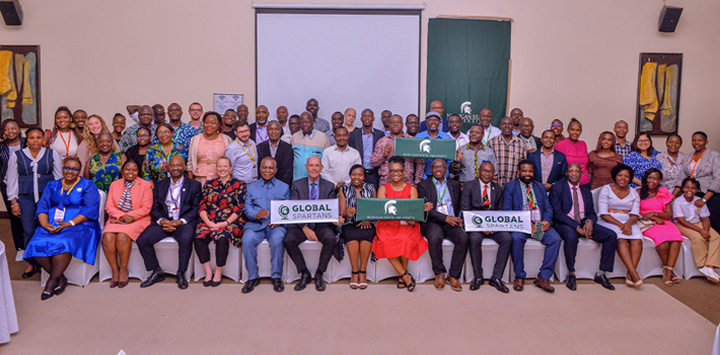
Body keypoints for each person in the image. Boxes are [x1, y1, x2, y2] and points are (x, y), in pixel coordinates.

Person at [24, 156, 101, 300]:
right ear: (62, 168)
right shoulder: (52, 185)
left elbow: (90, 210)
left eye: (74, 169)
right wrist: (45, 224)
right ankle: (60, 277)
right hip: (52, 224)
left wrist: (69, 223)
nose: (70, 171)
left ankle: (52, 280)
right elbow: (42, 207)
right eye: (67, 167)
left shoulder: (88, 185)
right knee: (35, 244)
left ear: (79, 171)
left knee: (64, 242)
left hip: (80, 225)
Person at [137, 155, 202, 290]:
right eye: (172, 165)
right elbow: (154, 208)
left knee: (186, 238)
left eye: (179, 165)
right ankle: (156, 271)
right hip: (164, 221)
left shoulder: (194, 185)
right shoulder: (160, 185)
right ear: (168, 168)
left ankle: (181, 272)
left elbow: (196, 208)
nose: (175, 168)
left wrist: (180, 221)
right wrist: (162, 221)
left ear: (184, 167)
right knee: (143, 239)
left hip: (183, 222)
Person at [549, 163, 617, 291]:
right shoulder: (557, 188)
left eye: (577, 171)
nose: (574, 174)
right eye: (571, 171)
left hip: (583, 222)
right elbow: (558, 214)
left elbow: (591, 212)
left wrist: (590, 221)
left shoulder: (586, 191)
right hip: (564, 223)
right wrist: (576, 226)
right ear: (566, 173)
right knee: (571, 236)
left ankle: (601, 273)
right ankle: (571, 273)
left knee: (611, 235)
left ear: (581, 174)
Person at [6, 127, 62, 278]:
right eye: (32, 138)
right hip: (26, 197)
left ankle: (47, 261)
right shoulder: (17, 156)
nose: (35, 141)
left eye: (39, 138)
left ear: (43, 139)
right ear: (27, 140)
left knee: (47, 228)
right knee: (29, 230)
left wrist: (59, 200)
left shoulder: (51, 154)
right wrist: (14, 202)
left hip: (47, 198)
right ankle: (31, 263)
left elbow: (58, 177)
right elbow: (11, 179)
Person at [372, 157, 431, 292]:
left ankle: (402, 276)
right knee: (385, 241)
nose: (396, 174)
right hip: (387, 224)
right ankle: (404, 275)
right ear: (389, 172)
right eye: (393, 171)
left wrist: (415, 212)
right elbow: (383, 214)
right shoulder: (383, 189)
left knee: (406, 239)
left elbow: (412, 217)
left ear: (404, 172)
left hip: (407, 223)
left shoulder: (412, 189)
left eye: (399, 171)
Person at [503, 160, 562, 293]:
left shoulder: (540, 187)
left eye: (530, 171)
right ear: (518, 172)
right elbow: (507, 210)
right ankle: (519, 276)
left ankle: (543, 276)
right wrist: (525, 222)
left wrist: (547, 221)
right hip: (521, 224)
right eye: (524, 171)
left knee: (555, 239)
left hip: (539, 223)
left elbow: (548, 207)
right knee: (516, 239)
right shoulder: (510, 186)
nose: (527, 174)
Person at [284, 156, 338, 292]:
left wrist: (334, 218)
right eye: (311, 165)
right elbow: (294, 209)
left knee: (331, 238)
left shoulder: (329, 186)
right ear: (306, 167)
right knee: (288, 240)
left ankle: (320, 273)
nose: (314, 168)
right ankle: (304, 273)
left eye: (317, 166)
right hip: (301, 224)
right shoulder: (297, 185)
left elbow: (330, 209)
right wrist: (304, 228)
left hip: (321, 224)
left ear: (321, 168)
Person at [417, 159, 469, 291]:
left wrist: (461, 218)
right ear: (431, 170)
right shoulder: (423, 185)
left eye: (441, 167)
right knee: (434, 238)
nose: (438, 170)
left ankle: (453, 275)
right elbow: (427, 210)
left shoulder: (454, 184)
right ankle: (439, 273)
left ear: (446, 170)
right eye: (435, 167)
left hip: (452, 220)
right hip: (433, 221)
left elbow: (459, 205)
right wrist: (445, 218)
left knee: (463, 238)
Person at [194, 157, 246, 287]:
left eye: (225, 166)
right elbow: (202, 206)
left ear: (230, 168)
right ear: (216, 168)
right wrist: (208, 222)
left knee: (222, 238)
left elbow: (238, 208)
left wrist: (224, 224)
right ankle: (208, 272)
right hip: (209, 220)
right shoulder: (209, 184)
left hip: (230, 222)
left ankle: (218, 271)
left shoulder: (239, 185)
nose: (222, 169)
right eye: (220, 166)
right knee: (198, 238)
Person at [461, 162, 511, 293]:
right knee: (474, 240)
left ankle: (496, 277)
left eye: (490, 172)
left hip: (493, 225)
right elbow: (465, 210)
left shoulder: (498, 189)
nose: (487, 174)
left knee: (507, 238)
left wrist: (494, 226)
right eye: (484, 171)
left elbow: (500, 211)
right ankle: (478, 277)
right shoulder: (469, 186)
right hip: (476, 225)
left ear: (493, 173)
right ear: (479, 171)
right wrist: (482, 227)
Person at [242, 157, 290, 293]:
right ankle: (252, 277)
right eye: (264, 168)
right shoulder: (251, 187)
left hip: (275, 226)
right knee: (247, 239)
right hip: (255, 224)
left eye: (270, 168)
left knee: (277, 240)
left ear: (275, 170)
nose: (267, 171)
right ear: (260, 169)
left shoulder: (284, 187)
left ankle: (276, 277)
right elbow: (247, 208)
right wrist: (256, 214)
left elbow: (288, 209)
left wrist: (280, 220)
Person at [102, 160, 153, 288]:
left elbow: (146, 208)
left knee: (122, 236)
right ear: (123, 171)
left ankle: (124, 269)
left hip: (137, 219)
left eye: (134, 170)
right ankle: (115, 270)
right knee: (108, 236)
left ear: (138, 172)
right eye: (128, 169)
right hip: (116, 218)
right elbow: (109, 206)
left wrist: (130, 216)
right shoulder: (115, 184)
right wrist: (121, 217)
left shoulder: (146, 185)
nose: (131, 172)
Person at [596, 164, 644, 287]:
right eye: (620, 175)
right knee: (621, 239)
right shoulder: (606, 189)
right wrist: (621, 226)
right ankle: (634, 273)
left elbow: (635, 213)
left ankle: (629, 274)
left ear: (630, 178)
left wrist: (627, 224)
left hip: (629, 221)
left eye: (627, 176)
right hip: (609, 221)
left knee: (637, 240)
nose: (623, 178)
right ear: (615, 176)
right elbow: (603, 214)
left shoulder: (634, 192)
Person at [638, 168, 684, 286]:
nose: (652, 181)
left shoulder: (663, 192)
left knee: (676, 239)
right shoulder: (638, 192)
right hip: (648, 224)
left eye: (655, 178)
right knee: (663, 242)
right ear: (645, 178)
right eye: (649, 177)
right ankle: (668, 270)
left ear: (659, 181)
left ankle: (668, 270)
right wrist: (653, 218)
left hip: (664, 222)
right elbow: (635, 213)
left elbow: (668, 215)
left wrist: (655, 214)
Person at [671, 132, 720, 236]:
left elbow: (718, 179)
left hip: (710, 194)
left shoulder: (714, 156)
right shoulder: (688, 157)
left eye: (700, 140)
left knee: (714, 223)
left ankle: (714, 247)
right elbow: (681, 178)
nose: (696, 143)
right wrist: (672, 196)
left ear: (706, 142)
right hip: (693, 193)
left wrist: (704, 199)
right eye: (694, 140)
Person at [673, 177, 720, 283]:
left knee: (716, 237)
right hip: (682, 224)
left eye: (693, 188)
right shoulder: (678, 202)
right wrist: (701, 231)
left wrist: (706, 230)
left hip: (698, 223)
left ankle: (709, 266)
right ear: (682, 188)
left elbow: (705, 218)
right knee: (698, 238)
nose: (690, 190)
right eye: (687, 187)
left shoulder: (699, 201)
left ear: (697, 190)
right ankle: (702, 264)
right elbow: (682, 220)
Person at [338, 165, 376, 290]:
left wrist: (367, 218)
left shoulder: (371, 188)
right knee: (352, 238)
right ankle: (354, 272)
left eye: (360, 175)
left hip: (367, 222)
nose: (356, 177)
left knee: (366, 237)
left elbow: (375, 208)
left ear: (364, 176)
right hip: (350, 223)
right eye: (354, 174)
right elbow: (342, 212)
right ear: (350, 176)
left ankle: (363, 272)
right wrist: (347, 211)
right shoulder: (343, 189)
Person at [370, 114, 425, 186]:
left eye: (398, 122)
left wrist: (417, 182)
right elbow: (373, 163)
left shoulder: (411, 141)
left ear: (402, 124)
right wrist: (383, 155)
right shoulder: (382, 141)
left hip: (407, 182)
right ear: (389, 125)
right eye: (392, 122)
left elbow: (420, 163)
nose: (395, 124)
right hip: (386, 182)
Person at [0, 119, 25, 265]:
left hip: (26, 185)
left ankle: (31, 246)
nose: (10, 132)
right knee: (14, 217)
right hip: (7, 186)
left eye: (13, 128)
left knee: (28, 217)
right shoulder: (1, 147)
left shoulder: (26, 142)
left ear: (18, 129)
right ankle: (20, 248)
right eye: (7, 129)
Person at [187, 111, 232, 185]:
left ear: (218, 125)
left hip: (220, 179)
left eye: (213, 123)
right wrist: (190, 184)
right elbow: (190, 163)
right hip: (199, 179)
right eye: (207, 122)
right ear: (203, 123)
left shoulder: (226, 139)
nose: (209, 125)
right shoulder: (195, 139)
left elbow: (230, 161)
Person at [349, 108, 385, 188]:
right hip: (359, 174)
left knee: (374, 197)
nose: (367, 118)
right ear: (361, 119)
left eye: (369, 116)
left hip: (375, 174)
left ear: (373, 119)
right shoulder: (353, 135)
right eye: (365, 116)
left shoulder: (380, 134)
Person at [290, 112, 330, 182]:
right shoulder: (294, 137)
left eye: (307, 122)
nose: (304, 125)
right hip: (296, 180)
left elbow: (327, 160)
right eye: (301, 122)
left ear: (313, 122)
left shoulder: (323, 138)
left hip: (316, 180)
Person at [488, 117, 528, 187]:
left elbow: (523, 166)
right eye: (504, 124)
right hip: (495, 185)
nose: (507, 126)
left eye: (510, 124)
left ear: (513, 126)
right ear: (500, 126)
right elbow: (487, 163)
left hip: (514, 186)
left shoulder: (521, 143)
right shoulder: (492, 142)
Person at [321, 126, 361, 191]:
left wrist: (346, 183)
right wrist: (335, 185)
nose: (342, 138)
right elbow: (323, 171)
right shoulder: (327, 152)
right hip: (330, 188)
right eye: (339, 136)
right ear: (334, 137)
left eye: (344, 135)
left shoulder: (355, 153)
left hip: (350, 188)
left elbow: (358, 173)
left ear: (348, 136)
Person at [555, 118, 590, 189]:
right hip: (568, 184)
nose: (575, 132)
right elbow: (557, 168)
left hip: (584, 183)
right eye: (572, 129)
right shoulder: (560, 145)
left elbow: (586, 164)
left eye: (578, 130)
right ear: (568, 130)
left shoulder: (583, 144)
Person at [257, 120, 293, 186]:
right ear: (267, 131)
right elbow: (259, 169)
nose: (274, 132)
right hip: (263, 186)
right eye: (271, 129)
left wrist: (280, 186)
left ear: (280, 131)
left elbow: (288, 171)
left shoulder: (288, 148)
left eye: (277, 129)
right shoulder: (259, 148)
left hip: (282, 186)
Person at [416, 112, 452, 178]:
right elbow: (416, 159)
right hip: (424, 175)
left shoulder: (446, 137)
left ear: (439, 123)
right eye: (430, 120)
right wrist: (423, 177)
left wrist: (445, 174)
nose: (433, 122)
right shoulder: (419, 137)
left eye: (436, 120)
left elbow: (449, 160)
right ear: (426, 122)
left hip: (442, 175)